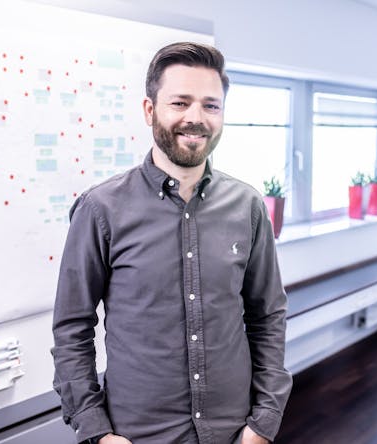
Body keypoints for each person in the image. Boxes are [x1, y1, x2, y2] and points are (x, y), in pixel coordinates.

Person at [51, 42, 292, 444]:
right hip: (139, 435)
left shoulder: (248, 205)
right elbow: (72, 328)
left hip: (234, 433)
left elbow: (267, 315)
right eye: (180, 103)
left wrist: (263, 421)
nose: (195, 118)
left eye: (210, 105)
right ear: (150, 110)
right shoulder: (100, 209)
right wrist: (97, 431)